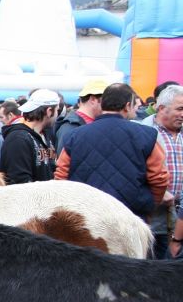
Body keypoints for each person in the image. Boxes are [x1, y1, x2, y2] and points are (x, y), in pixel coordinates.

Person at [54, 83, 168, 219]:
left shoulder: (75, 135)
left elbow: (61, 176)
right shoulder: (146, 135)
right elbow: (159, 178)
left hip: (86, 218)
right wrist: (149, 205)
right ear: (127, 106)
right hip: (132, 216)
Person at [143, 84, 183, 258]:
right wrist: (158, 191)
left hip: (180, 222)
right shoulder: (143, 132)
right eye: (180, 109)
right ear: (161, 108)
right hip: (153, 220)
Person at [0, 89, 58, 184]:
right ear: (49, 111)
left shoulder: (45, 135)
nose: (57, 115)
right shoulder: (18, 139)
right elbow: (19, 182)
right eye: (57, 110)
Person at [54, 79, 108, 153]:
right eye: (106, 101)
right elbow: (63, 161)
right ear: (93, 100)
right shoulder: (70, 127)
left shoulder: (96, 123)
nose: (108, 105)